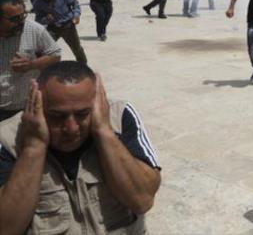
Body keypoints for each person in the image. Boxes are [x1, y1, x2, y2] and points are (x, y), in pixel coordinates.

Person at [0, 61, 161, 234]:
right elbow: (6, 228)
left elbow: (142, 200)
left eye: (82, 114)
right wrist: (34, 147)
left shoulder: (119, 117)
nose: (71, 128)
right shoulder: (8, 137)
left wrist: (104, 131)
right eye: (56, 116)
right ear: (35, 103)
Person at [0, 0, 62, 122]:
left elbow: (55, 55)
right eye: (15, 19)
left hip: (26, 107)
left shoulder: (34, 30)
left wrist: (32, 64)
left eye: (23, 15)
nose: (21, 21)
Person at [32, 0, 88, 64]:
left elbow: (75, 3)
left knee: (76, 48)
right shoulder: (37, 3)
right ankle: (44, 68)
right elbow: (38, 19)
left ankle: (83, 66)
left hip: (68, 26)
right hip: (52, 28)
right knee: (42, 49)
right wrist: (45, 19)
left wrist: (76, 15)